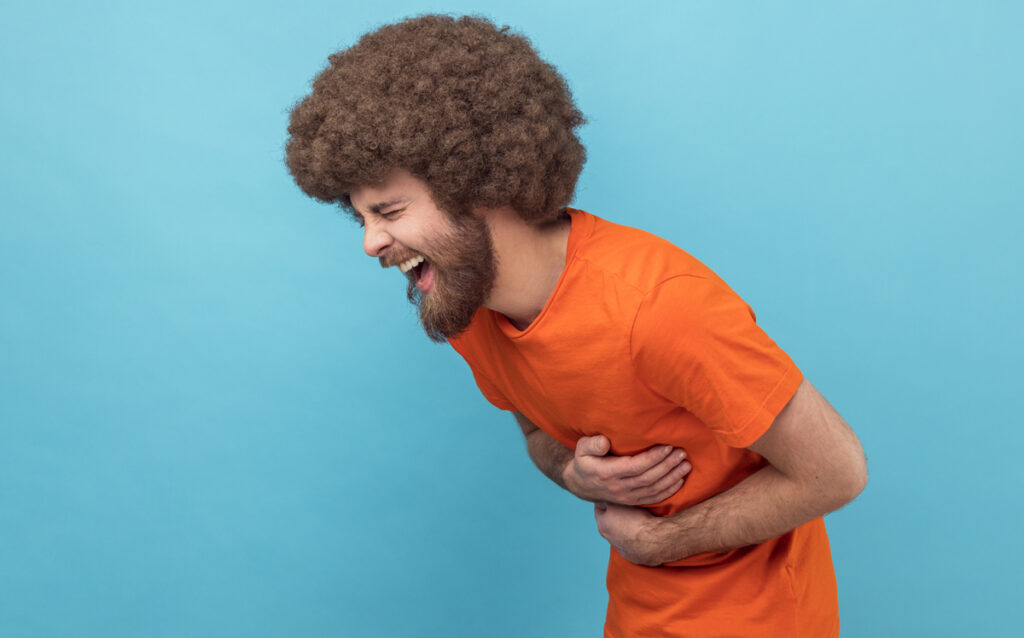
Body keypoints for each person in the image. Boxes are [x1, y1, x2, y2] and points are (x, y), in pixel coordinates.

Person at [285, 14, 867, 637]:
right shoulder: (466, 309)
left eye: (390, 211)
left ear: (478, 184)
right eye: (361, 218)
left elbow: (836, 471)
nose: (371, 243)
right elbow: (539, 430)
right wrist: (573, 470)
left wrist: (661, 541)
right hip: (639, 610)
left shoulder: (660, 308)